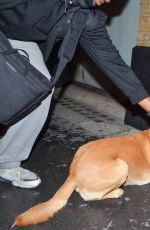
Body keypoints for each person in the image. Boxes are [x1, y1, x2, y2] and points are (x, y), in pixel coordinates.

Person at [0, 0, 150, 189]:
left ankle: (7, 162)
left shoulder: (85, 17)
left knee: (40, 89)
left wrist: (148, 104)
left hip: (22, 39)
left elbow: (114, 64)